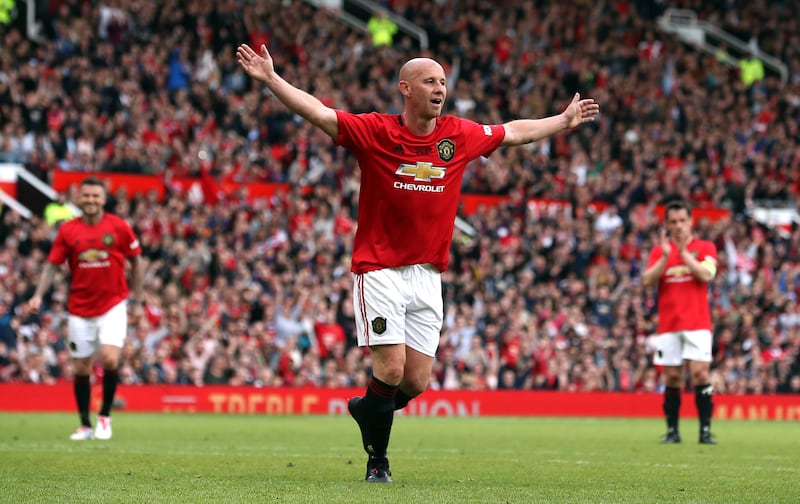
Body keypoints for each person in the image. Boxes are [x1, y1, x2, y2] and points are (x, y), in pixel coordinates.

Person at [236, 42, 599, 483]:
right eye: (430, 81)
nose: (440, 88)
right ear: (405, 89)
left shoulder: (458, 136)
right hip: (379, 268)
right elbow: (320, 113)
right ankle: (378, 464)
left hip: (428, 274)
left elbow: (512, 131)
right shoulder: (377, 131)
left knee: (415, 382)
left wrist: (561, 122)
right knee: (389, 368)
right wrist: (273, 80)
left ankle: (366, 408)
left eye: (443, 82)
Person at [28, 176, 143, 441]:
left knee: (111, 358)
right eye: (86, 196)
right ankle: (84, 424)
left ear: (103, 199)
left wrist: (137, 300)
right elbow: (52, 266)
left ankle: (104, 417)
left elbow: (137, 263)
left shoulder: (120, 227)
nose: (90, 200)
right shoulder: (68, 230)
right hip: (79, 308)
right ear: (80, 198)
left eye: (95, 196)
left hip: (113, 304)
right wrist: (37, 296)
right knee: (81, 369)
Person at [642, 200, 718, 445]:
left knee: (700, 373)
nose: (678, 226)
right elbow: (647, 280)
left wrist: (684, 253)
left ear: (690, 221)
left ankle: (705, 431)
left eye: (682, 221)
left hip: (698, 323)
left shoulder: (705, 247)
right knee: (672, 378)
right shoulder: (659, 251)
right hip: (669, 324)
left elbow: (706, 274)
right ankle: (672, 431)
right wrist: (666, 257)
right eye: (673, 222)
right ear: (666, 224)